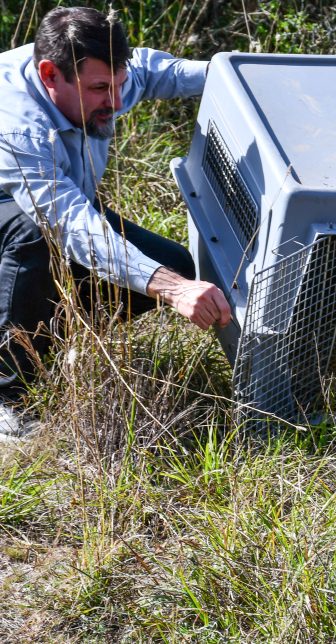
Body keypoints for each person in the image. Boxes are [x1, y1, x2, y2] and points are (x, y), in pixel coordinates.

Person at [0, 6, 231, 438]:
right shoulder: (17, 127)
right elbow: (69, 225)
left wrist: (241, 72)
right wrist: (174, 289)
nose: (118, 102)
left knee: (173, 263)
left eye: (120, 84)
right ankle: (8, 394)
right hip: (22, 209)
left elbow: (163, 71)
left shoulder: (102, 73)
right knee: (37, 238)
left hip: (64, 206)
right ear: (51, 75)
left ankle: (39, 335)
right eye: (101, 89)